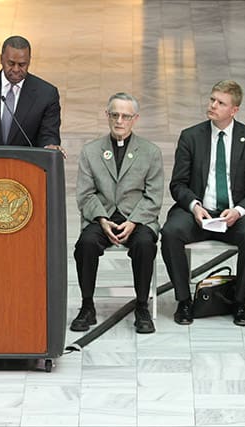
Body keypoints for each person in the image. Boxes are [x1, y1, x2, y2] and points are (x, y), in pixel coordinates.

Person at [161, 80, 245, 327]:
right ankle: (184, 300)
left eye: (221, 103)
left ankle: (239, 301)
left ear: (234, 110)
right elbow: (178, 184)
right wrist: (195, 206)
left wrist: (239, 211)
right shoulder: (190, 136)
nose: (213, 106)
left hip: (235, 214)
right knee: (170, 232)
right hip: (200, 212)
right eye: (212, 100)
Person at [72, 93, 163, 334]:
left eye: (125, 116)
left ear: (135, 119)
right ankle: (87, 305)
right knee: (85, 244)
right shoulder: (91, 151)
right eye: (114, 115)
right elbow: (85, 194)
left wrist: (133, 221)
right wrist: (102, 220)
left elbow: (154, 197)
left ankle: (142, 306)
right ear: (107, 116)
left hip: (137, 217)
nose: (119, 121)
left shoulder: (150, 152)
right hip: (102, 216)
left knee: (145, 244)